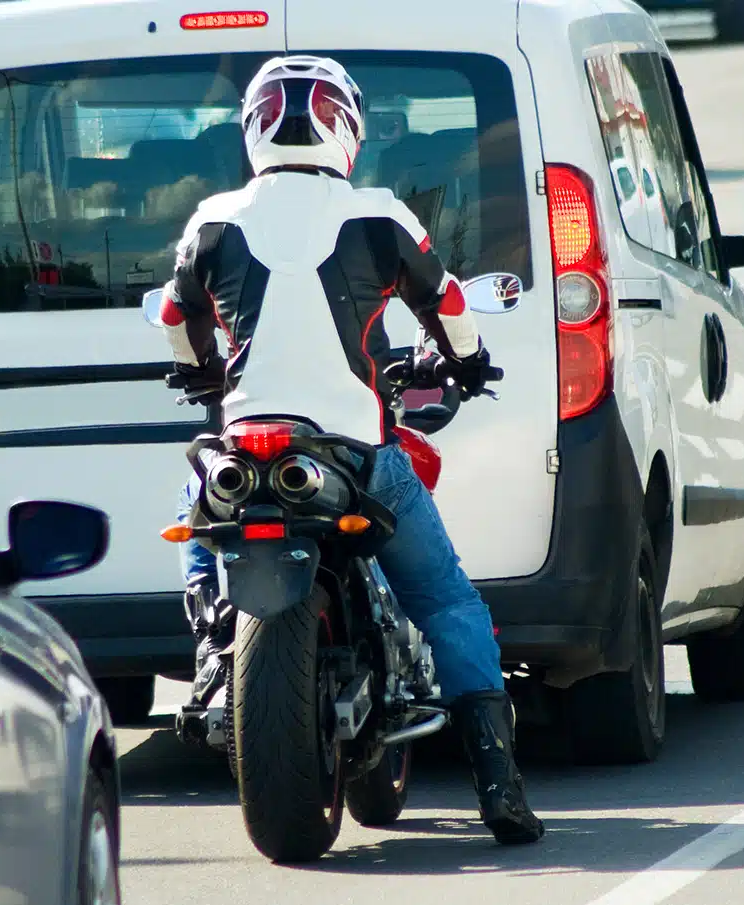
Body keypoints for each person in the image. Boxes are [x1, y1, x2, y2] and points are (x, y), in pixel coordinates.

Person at [156, 55, 545, 846]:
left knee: (196, 510)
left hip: (245, 450)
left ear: (255, 128)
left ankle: (209, 641)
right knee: (446, 601)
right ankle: (498, 783)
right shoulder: (381, 215)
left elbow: (173, 316)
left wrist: (203, 375)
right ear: (347, 130)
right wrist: (466, 363)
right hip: (355, 454)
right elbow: (451, 303)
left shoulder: (211, 219)